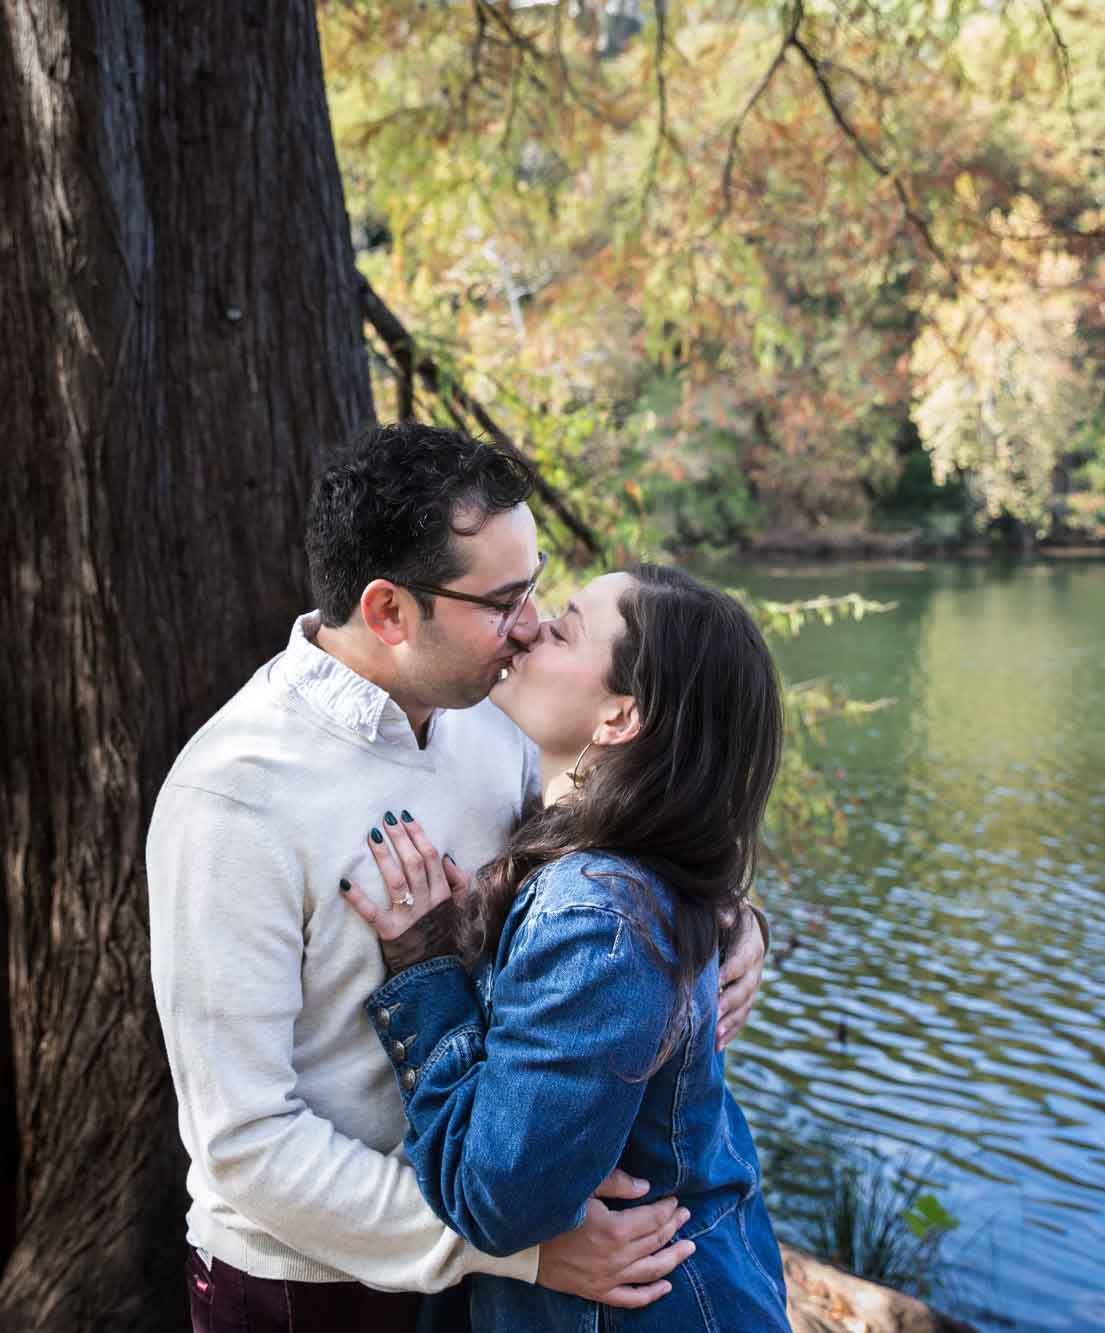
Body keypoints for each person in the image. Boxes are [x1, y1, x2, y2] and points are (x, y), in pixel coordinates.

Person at [147, 425, 767, 1331]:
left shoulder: (500, 720)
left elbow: (613, 856)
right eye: (504, 599)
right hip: (310, 1290)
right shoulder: (235, 796)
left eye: (536, 586)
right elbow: (243, 1142)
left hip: (484, 1278)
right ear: (391, 611)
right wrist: (517, 1245)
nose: (528, 625)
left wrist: (725, 920)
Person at [342, 564, 795, 1332]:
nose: (527, 625)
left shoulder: (601, 916)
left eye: (564, 627)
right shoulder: (609, 865)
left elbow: (494, 1199)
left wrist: (425, 975)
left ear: (619, 716)